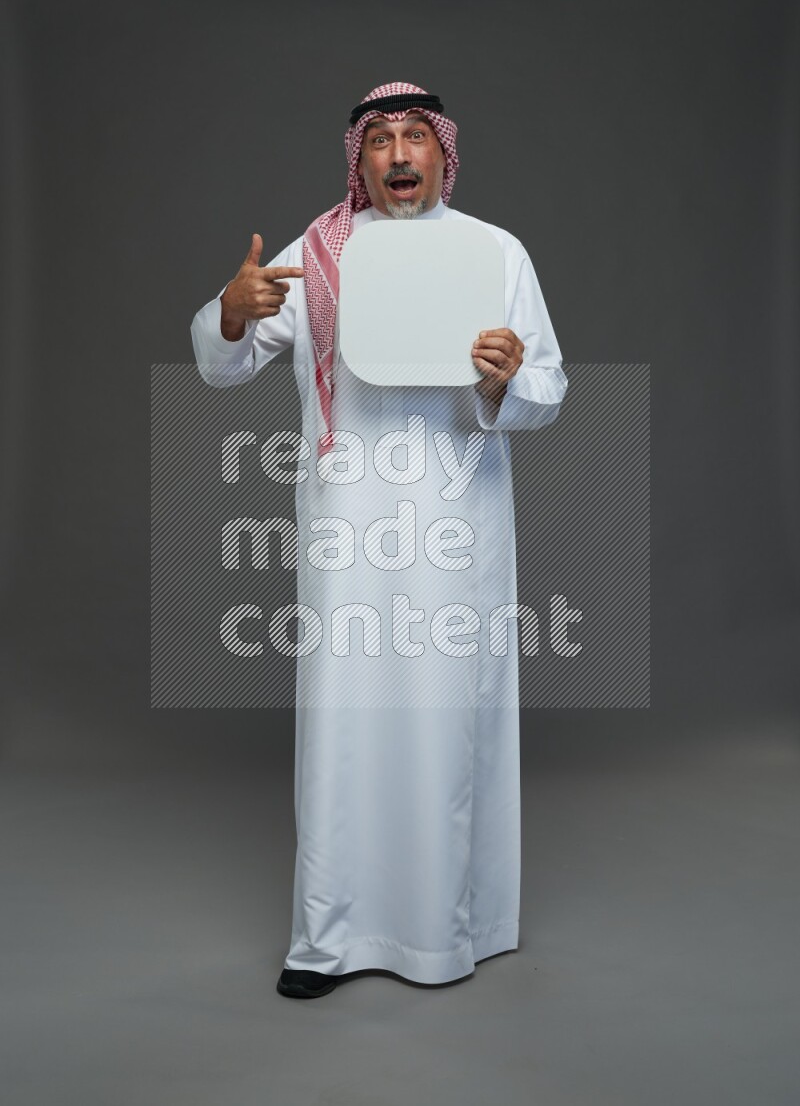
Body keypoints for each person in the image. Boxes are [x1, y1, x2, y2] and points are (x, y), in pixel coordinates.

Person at [190, 81, 568, 999]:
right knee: (345, 727)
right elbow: (224, 362)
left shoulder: (494, 253)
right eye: (381, 142)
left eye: (415, 138)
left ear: (443, 152)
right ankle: (326, 937)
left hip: (454, 522)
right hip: (348, 525)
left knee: (446, 723)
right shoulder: (322, 254)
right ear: (360, 161)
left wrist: (503, 380)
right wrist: (235, 309)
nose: (400, 155)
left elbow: (549, 390)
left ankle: (449, 931)